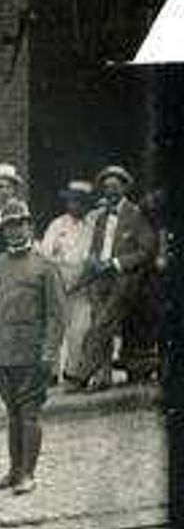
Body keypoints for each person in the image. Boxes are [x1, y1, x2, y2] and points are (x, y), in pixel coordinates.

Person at [0, 199, 64, 494]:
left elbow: (56, 316)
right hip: (0, 353)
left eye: (20, 224)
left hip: (31, 354)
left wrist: (49, 353)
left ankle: (28, 473)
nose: (15, 230)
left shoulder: (44, 266)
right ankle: (14, 471)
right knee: (13, 413)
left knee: (29, 413)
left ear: (30, 226)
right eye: (9, 225)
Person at [66, 165, 159, 392]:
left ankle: (80, 375)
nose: (110, 191)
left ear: (125, 188)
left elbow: (146, 250)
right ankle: (104, 375)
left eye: (115, 186)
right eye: (107, 187)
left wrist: (116, 263)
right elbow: (96, 250)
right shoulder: (100, 218)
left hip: (124, 277)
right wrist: (93, 264)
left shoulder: (136, 214)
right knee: (98, 318)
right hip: (101, 277)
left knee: (103, 322)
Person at [40, 180, 98, 383]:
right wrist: (59, 279)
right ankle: (51, 372)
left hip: (83, 284)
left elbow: (94, 258)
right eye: (72, 201)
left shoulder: (93, 226)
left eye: (81, 202)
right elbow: (45, 255)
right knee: (54, 328)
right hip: (58, 280)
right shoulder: (57, 225)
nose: (76, 206)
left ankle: (73, 372)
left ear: (87, 204)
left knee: (79, 330)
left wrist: (81, 279)